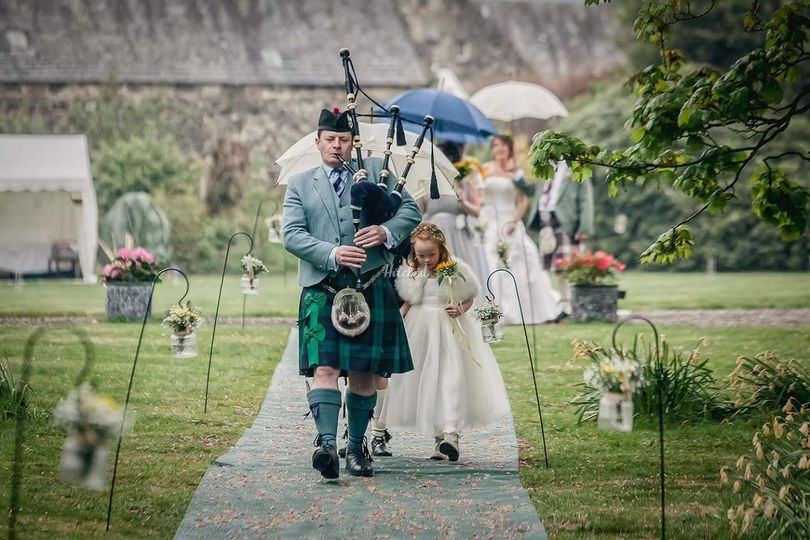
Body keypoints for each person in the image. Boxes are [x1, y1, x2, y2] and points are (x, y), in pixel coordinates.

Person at [282, 108, 421, 479]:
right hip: (323, 288)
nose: (337, 145)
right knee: (324, 367)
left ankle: (356, 447)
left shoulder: (378, 172)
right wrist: (331, 252)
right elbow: (292, 235)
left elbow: (411, 211)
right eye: (330, 139)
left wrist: (386, 231)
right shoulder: (300, 183)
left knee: (362, 372)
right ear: (318, 142)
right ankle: (326, 443)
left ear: (352, 142)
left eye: (343, 139)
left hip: (371, 285)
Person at [381, 222, 511, 461]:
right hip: (420, 331)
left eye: (431, 254)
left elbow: (470, 296)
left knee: (450, 379)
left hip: (449, 329)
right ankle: (439, 439)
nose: (426, 260)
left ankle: (452, 434)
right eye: (421, 255)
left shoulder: (455, 269)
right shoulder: (411, 271)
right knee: (427, 383)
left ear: (441, 250)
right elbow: (408, 303)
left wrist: (459, 308)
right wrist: (395, 323)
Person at [480, 135, 562, 325]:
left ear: (509, 149)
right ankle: (492, 309)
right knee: (490, 261)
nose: (499, 149)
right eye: (495, 146)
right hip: (490, 221)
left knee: (520, 262)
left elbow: (524, 199)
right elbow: (480, 194)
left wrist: (514, 221)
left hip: (510, 220)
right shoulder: (485, 169)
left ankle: (522, 310)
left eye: (502, 145)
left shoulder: (515, 171)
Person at [420, 141, 490, 303]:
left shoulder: (464, 182)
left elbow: (477, 210)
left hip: (459, 235)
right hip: (435, 235)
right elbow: (421, 211)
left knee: (462, 271)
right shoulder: (427, 183)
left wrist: (463, 201)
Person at [525, 159, 594, 269]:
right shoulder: (544, 169)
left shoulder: (577, 168)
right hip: (546, 222)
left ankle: (570, 287)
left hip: (566, 223)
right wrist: (515, 176)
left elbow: (585, 200)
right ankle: (558, 287)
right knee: (552, 268)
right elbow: (532, 189)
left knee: (568, 267)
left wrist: (584, 228)